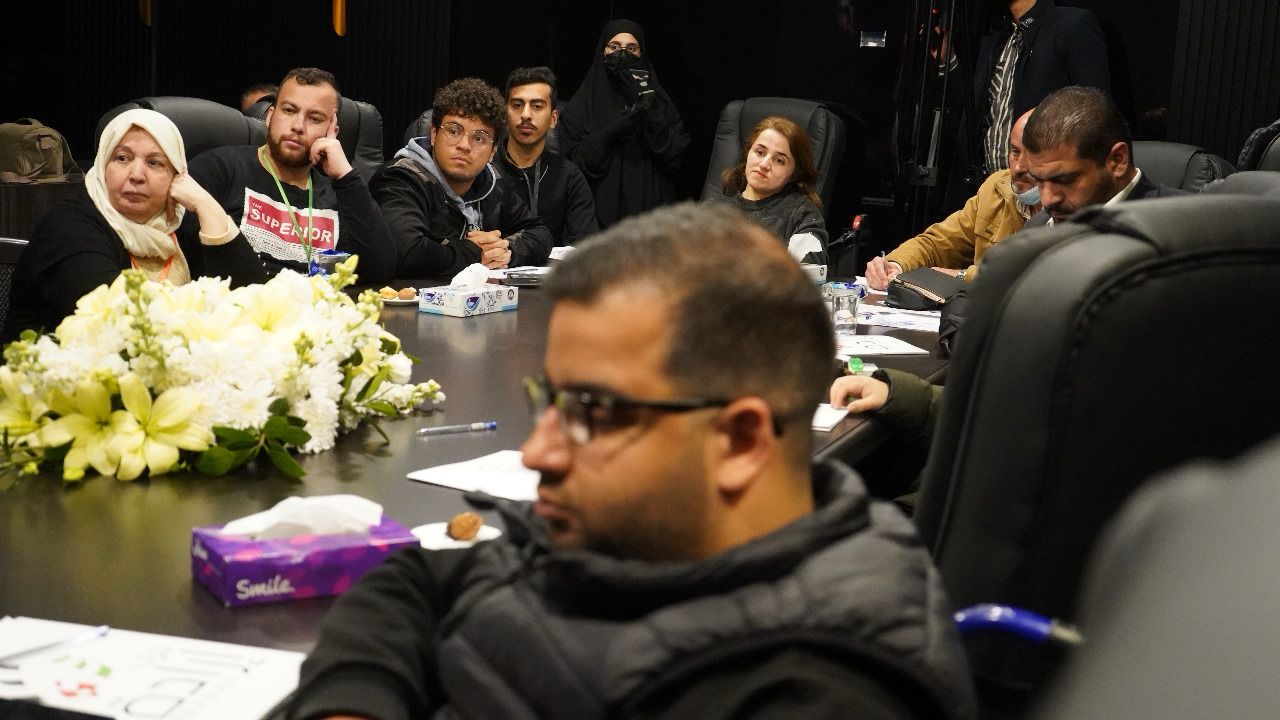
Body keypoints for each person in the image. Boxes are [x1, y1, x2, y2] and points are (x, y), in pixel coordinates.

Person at [285, 203, 977, 720]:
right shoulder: (648, 532)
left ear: (738, 443)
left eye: (591, 412)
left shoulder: (809, 694)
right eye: (551, 401)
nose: (538, 451)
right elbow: (416, 582)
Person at [4, 109, 267, 341]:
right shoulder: (68, 228)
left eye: (154, 163)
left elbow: (253, 302)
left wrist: (207, 206)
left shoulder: (178, 223)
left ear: (176, 175)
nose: (137, 175)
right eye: (122, 158)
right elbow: (118, 324)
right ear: (102, 166)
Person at [188, 67, 397, 283]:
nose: (298, 126)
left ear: (331, 131)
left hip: (316, 303)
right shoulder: (219, 169)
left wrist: (346, 176)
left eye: (314, 118)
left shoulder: (340, 196)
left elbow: (380, 269)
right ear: (270, 116)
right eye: (289, 110)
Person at [373, 77, 554, 276]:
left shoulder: (493, 181)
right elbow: (407, 252)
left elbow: (539, 232)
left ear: (493, 151)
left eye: (479, 138)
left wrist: (505, 252)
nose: (464, 145)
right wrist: (475, 254)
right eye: (453, 131)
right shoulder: (400, 179)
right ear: (434, 134)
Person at [866, 107, 1039, 290]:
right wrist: (896, 265)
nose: (1018, 167)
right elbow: (938, 243)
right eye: (1015, 152)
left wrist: (962, 276)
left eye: (1032, 154)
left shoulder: (1060, 208)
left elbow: (1035, 278)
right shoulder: (996, 188)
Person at [558, 19, 691, 228]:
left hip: (654, 218)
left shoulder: (659, 101)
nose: (622, 54)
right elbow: (574, 164)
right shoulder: (583, 105)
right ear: (602, 51)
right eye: (614, 47)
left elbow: (675, 154)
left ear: (642, 53)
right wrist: (612, 130)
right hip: (594, 219)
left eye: (631, 48)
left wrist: (648, 113)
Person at [974, 0, 1109, 175]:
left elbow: (1096, 115)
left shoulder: (1072, 25)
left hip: (1045, 181)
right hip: (992, 183)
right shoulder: (995, 38)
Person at [1023, 85, 1183, 226]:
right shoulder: (1036, 227)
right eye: (1039, 181)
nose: (1047, 200)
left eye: (1064, 180)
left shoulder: (1185, 225)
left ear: (1118, 160)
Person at [495, 66, 599, 246]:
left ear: (553, 118)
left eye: (537, 106)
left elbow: (587, 245)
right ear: (505, 113)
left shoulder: (569, 177)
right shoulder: (485, 169)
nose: (526, 115)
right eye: (517, 105)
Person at [707, 115, 829, 265]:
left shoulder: (802, 215)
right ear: (748, 153)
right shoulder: (712, 210)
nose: (764, 164)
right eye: (760, 152)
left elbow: (808, 270)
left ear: (794, 173)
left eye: (779, 160)